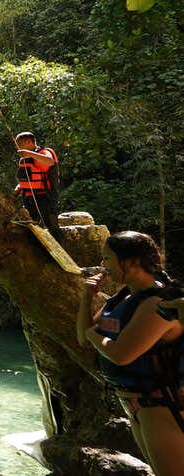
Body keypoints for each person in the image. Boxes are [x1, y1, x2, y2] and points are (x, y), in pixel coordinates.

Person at [77, 231, 184, 475]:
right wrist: (87, 298)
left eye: (107, 259)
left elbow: (121, 354)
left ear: (132, 262)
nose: (103, 266)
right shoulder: (123, 297)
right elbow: (83, 339)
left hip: (162, 403)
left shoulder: (160, 302)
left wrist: (95, 335)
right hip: (136, 403)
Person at [13, 132, 62, 241]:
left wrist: (30, 154)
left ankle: (61, 251)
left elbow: (50, 161)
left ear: (29, 142)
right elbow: (26, 179)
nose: (17, 147)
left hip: (44, 197)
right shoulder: (24, 158)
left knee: (52, 228)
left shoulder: (43, 152)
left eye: (19, 144)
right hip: (28, 198)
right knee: (32, 230)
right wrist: (16, 191)